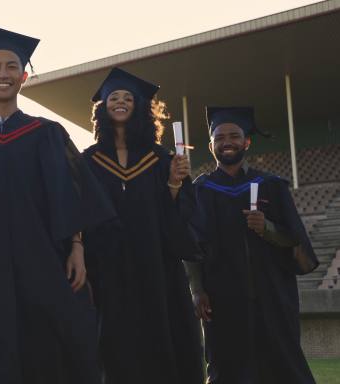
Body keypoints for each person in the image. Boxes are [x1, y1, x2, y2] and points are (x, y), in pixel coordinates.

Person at [0, 25, 115, 384]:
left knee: (47, 348)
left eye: (12, 67)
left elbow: (71, 194)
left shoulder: (46, 133)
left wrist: (77, 247)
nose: (3, 74)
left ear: (24, 76)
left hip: (41, 260)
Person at [81, 67, 204, 384]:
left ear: (139, 106)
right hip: (107, 270)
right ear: (103, 108)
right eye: (113, 97)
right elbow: (77, 212)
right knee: (112, 346)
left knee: (159, 341)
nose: (120, 102)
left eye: (127, 98)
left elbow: (181, 216)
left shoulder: (161, 159)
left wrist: (175, 185)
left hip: (155, 268)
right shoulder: (88, 161)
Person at [186, 106, 318, 384]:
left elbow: (296, 241)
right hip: (222, 299)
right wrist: (197, 290)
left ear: (247, 141)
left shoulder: (272, 186)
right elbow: (192, 245)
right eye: (220, 138)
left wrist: (267, 228)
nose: (227, 142)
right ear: (211, 146)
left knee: (283, 365)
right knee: (226, 367)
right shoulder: (201, 190)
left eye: (234, 136)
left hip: (272, 295)